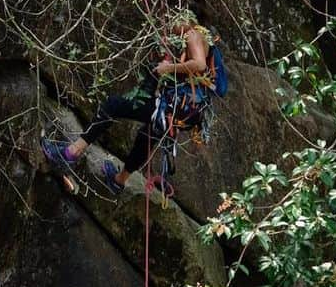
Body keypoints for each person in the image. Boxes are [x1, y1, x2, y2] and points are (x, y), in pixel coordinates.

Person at [42, 10, 212, 195]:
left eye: (173, 18)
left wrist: (168, 68)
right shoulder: (195, 39)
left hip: (173, 108)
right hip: (181, 111)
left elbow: (200, 64)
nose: (170, 24)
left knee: (113, 106)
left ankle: (69, 154)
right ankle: (118, 181)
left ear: (188, 18)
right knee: (146, 138)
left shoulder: (193, 34)